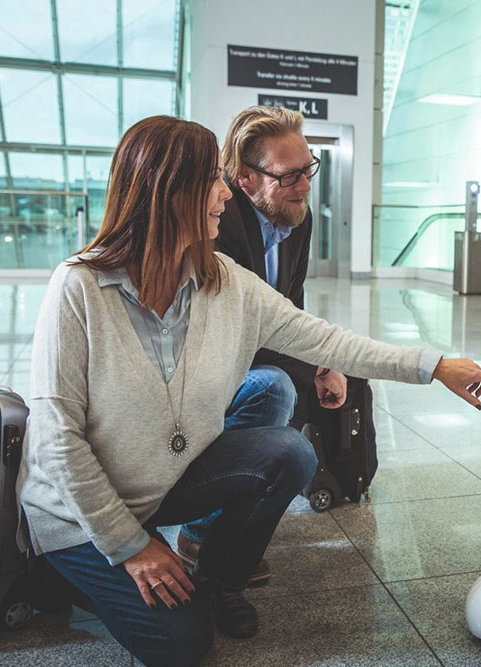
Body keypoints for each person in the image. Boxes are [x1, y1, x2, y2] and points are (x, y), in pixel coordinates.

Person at [15, 115, 481, 667]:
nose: (224, 191)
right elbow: (57, 441)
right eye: (211, 179)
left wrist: (434, 365)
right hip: (79, 511)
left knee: (288, 451)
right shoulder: (79, 287)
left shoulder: (223, 281)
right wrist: (131, 547)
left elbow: (327, 339)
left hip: (160, 484)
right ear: (165, 189)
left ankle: (218, 579)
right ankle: (66, 571)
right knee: (181, 645)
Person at [175, 105, 345, 585]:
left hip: (260, 348)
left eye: (308, 169)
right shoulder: (216, 222)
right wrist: (312, 362)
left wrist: (322, 358)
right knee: (274, 387)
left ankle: (225, 533)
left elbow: (292, 302)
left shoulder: (299, 215)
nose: (306, 186)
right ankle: (200, 535)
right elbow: (233, 331)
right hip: (211, 362)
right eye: (289, 176)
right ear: (245, 178)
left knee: (293, 383)